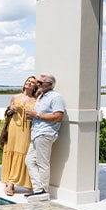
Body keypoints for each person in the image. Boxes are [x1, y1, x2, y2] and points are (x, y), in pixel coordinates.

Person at [24, 73, 65, 201]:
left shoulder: (56, 97)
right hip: (36, 134)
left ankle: (43, 191)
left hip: (45, 133)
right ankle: (38, 190)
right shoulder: (41, 96)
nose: (38, 84)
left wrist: (36, 115)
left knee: (42, 162)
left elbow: (58, 117)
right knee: (29, 160)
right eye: (38, 82)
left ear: (50, 84)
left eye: (41, 83)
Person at [2, 76, 38, 196]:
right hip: (13, 128)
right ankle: (10, 183)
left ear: (35, 87)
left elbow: (37, 116)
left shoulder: (36, 100)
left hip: (27, 129)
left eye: (32, 82)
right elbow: (7, 114)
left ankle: (23, 182)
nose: (29, 83)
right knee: (11, 152)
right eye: (28, 81)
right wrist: (11, 109)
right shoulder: (15, 97)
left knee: (23, 153)